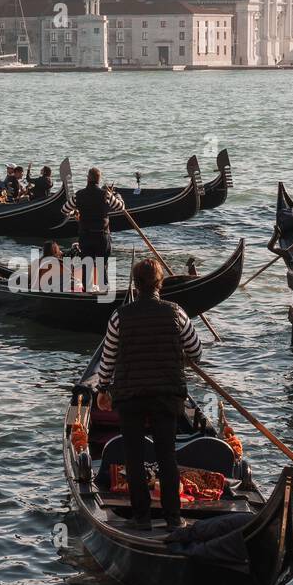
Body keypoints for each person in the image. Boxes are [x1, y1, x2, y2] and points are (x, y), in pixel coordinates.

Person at [96, 257, 202, 531]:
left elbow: (107, 361)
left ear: (135, 285)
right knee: (167, 455)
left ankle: (141, 518)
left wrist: (102, 389)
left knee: (133, 456)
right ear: (159, 283)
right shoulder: (176, 313)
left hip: (130, 394)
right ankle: (173, 518)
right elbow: (196, 351)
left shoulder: (119, 317)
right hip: (167, 394)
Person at [73, 166, 124, 288]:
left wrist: (76, 212)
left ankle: (87, 292)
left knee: (87, 267)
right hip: (102, 236)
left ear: (87, 179)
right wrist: (117, 196)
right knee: (102, 267)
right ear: (99, 180)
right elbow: (121, 207)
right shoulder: (105, 194)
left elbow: (64, 209)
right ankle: (103, 294)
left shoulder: (78, 194)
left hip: (85, 236)